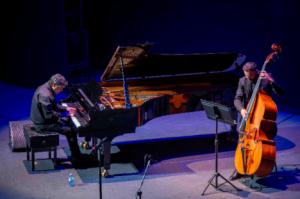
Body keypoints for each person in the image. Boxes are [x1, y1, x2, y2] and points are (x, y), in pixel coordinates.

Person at [30, 73, 98, 168]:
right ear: (54, 85)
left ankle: (76, 154)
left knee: (69, 122)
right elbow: (48, 116)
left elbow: (52, 106)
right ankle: (77, 158)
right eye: (61, 88)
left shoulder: (47, 87)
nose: (61, 91)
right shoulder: (45, 95)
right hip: (43, 124)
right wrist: (64, 116)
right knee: (70, 131)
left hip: (45, 119)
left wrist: (66, 109)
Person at [230, 62, 284, 180]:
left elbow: (281, 93)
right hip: (248, 118)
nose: (247, 77)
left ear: (255, 71)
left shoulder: (265, 79)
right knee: (242, 141)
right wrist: (242, 110)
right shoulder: (242, 80)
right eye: (246, 75)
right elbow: (237, 99)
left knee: (261, 144)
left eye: (250, 75)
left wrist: (271, 80)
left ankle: (259, 166)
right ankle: (240, 169)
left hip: (263, 121)